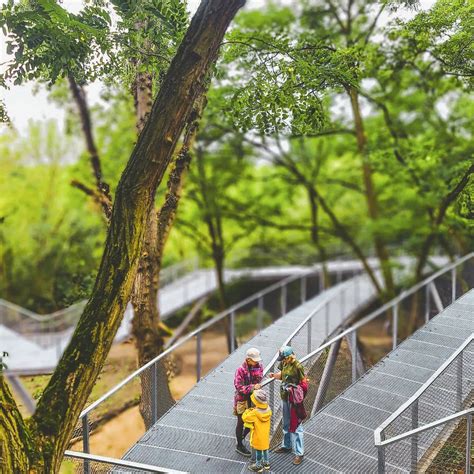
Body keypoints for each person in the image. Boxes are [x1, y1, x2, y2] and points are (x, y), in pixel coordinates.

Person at [269, 345, 306, 465]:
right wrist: (274, 376)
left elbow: (304, 383)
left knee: (297, 425)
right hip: (284, 396)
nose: (283, 361)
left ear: (289, 357)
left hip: (294, 399)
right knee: (286, 422)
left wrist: (294, 391)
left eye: (284, 358)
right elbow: (282, 374)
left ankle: (299, 453)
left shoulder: (298, 366)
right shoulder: (284, 363)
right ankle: (287, 445)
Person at [234, 347, 264, 456]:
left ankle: (241, 436)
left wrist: (255, 383)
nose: (256, 362)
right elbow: (238, 387)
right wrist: (252, 387)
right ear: (248, 359)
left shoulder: (258, 366)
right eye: (254, 360)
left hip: (253, 398)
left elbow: (259, 378)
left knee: (251, 420)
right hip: (242, 400)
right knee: (241, 421)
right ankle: (239, 445)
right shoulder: (240, 370)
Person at [242, 389, 272, 472]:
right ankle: (266, 463)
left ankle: (258, 465)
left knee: (258, 451)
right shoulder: (268, 409)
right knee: (265, 449)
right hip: (265, 435)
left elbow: (245, 418)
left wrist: (247, 411)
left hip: (258, 436)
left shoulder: (255, 413)